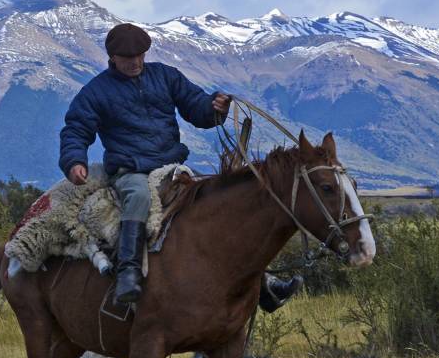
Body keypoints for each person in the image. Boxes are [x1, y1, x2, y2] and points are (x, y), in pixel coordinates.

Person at [58, 23, 302, 307]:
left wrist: (214, 107)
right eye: (127, 58)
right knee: (137, 197)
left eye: (140, 55)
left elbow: (194, 105)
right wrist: (75, 161)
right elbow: (75, 129)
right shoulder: (96, 92)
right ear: (112, 57)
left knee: (222, 203)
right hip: (131, 169)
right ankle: (128, 274)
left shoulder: (165, 76)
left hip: (173, 165)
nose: (135, 62)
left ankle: (263, 284)